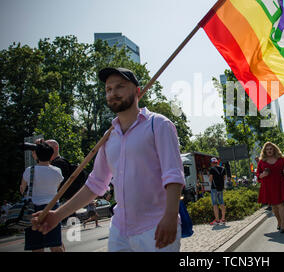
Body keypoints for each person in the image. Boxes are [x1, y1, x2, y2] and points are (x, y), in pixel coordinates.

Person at [32, 67, 186, 252]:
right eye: (108, 89)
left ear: (137, 91)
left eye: (120, 86)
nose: (113, 93)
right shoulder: (108, 136)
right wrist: (57, 215)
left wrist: (170, 216)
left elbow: (174, 175)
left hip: (156, 226)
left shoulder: (159, 124)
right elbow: (95, 184)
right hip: (119, 231)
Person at [20, 142, 64, 252]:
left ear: (36, 155)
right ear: (51, 155)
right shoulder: (57, 171)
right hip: (52, 208)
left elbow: (22, 188)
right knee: (55, 245)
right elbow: (57, 188)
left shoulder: (30, 170)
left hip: (33, 210)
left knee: (36, 247)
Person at [257, 142, 284, 233]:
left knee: (281, 204)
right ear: (265, 151)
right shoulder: (262, 162)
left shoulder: (282, 159)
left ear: (274, 149)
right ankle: (279, 221)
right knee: (274, 206)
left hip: (280, 184)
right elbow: (258, 175)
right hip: (268, 186)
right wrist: (263, 174)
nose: (269, 151)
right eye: (267, 149)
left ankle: (283, 225)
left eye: (271, 149)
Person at [209, 157, 227, 226]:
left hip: (214, 189)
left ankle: (217, 220)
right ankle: (223, 219)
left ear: (211, 163)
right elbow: (224, 178)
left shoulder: (212, 169)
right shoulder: (223, 169)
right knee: (222, 203)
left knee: (215, 204)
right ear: (217, 162)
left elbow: (210, 179)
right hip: (221, 188)